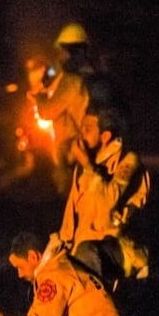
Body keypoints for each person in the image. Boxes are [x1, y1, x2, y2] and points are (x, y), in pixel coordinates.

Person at [58, 106, 150, 288]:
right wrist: (60, 246)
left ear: (105, 136)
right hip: (83, 246)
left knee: (85, 253)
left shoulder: (128, 161)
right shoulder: (85, 166)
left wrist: (88, 166)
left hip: (117, 248)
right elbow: (72, 213)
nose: (81, 135)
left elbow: (107, 201)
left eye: (87, 130)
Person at [32, 23, 92, 193]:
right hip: (94, 151)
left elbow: (46, 112)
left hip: (73, 155)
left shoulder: (71, 81)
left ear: (71, 52)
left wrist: (40, 96)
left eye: (62, 52)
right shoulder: (94, 76)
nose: (60, 57)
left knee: (73, 206)